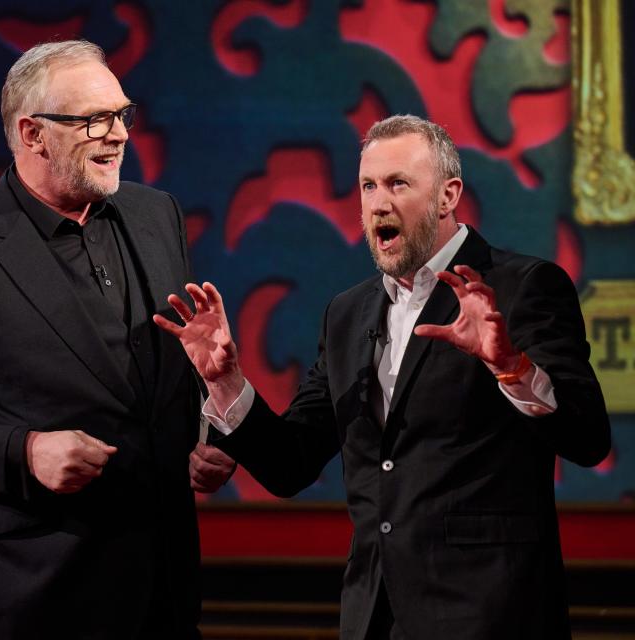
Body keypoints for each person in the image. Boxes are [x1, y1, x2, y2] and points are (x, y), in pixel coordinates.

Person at [157, 115, 611, 640]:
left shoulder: (522, 288)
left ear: (447, 195)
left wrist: (510, 366)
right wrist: (227, 383)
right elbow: (291, 463)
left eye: (398, 183)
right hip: (374, 615)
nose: (378, 202)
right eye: (369, 185)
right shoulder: (347, 313)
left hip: (489, 612)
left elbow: (588, 437)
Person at [0, 40, 233, 640]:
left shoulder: (156, 215)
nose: (117, 135)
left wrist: (205, 432)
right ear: (32, 133)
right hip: (29, 593)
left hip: (161, 589)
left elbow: (157, 380)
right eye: (93, 120)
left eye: (122, 115)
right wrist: (24, 452)